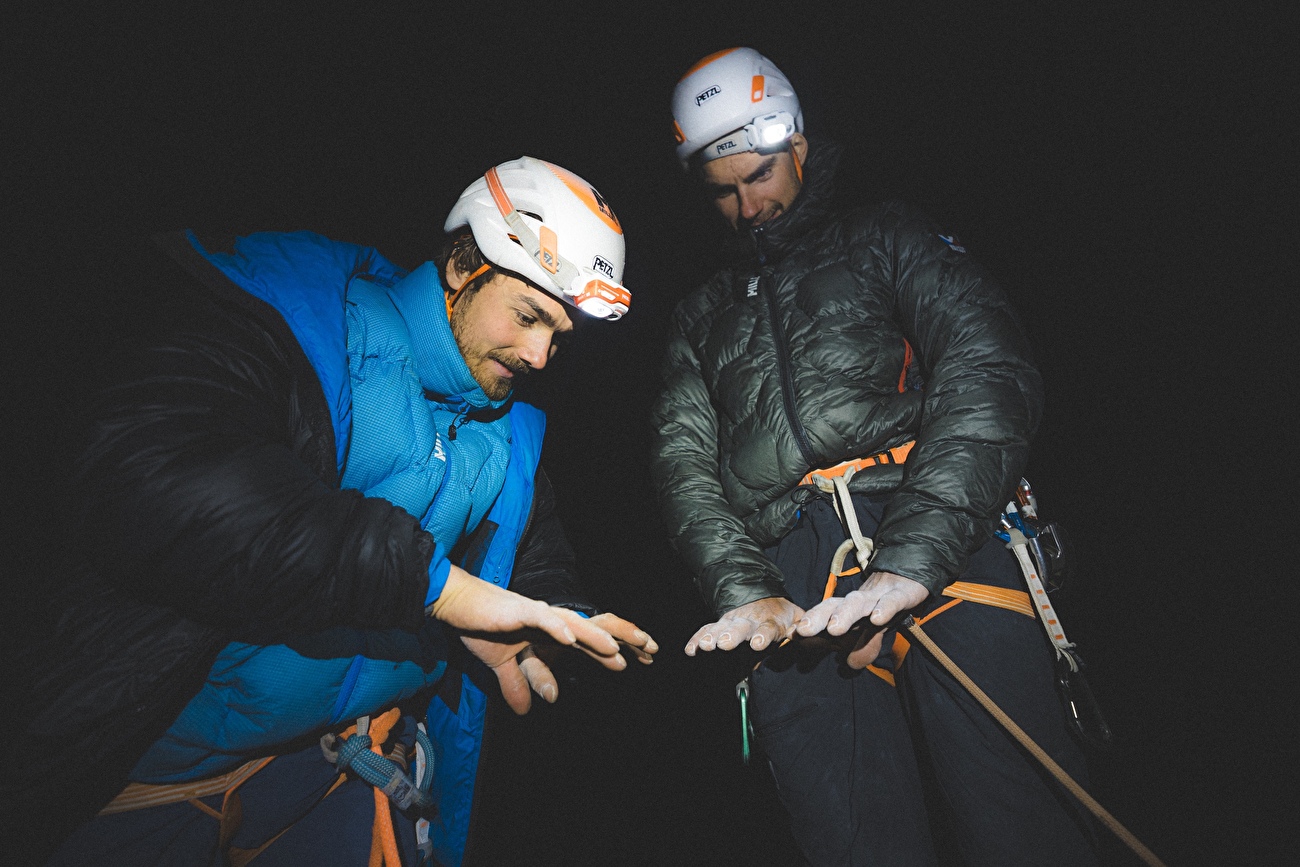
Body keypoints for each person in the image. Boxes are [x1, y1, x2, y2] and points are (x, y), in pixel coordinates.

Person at [5, 156, 656, 866]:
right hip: (162, 786)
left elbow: (532, 558)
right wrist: (435, 587)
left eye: (559, 336)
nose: (539, 354)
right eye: (528, 316)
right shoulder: (309, 329)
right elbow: (150, 469)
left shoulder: (509, 430)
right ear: (462, 264)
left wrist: (559, 616)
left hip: (339, 782)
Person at [650, 47, 1098, 865]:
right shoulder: (697, 313)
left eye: (759, 174)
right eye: (722, 189)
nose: (748, 204)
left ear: (801, 148)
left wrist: (913, 557)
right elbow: (683, 463)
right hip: (794, 586)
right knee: (849, 839)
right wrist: (745, 589)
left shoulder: (886, 234)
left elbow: (988, 364)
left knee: (1022, 817)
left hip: (937, 529)